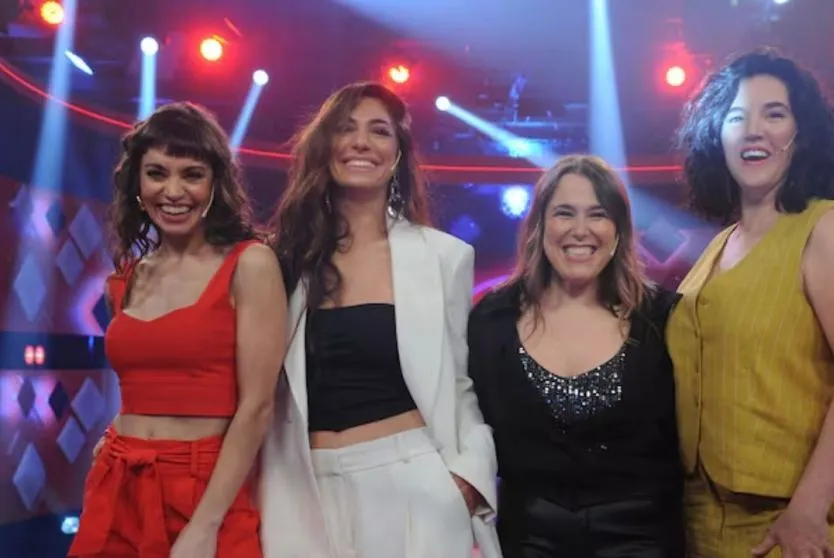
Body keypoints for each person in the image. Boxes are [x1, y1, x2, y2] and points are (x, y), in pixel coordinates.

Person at [668, 48, 834, 557]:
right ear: (717, 136)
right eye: (736, 117)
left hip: (793, 523)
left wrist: (808, 509)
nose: (754, 131)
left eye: (774, 114)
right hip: (704, 515)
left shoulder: (830, 228)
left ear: (801, 133)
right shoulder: (719, 244)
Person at [258, 81, 500, 558]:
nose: (361, 143)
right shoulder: (281, 261)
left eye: (379, 131)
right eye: (346, 129)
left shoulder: (443, 257)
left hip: (411, 483)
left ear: (398, 153)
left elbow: (458, 383)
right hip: (302, 489)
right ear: (324, 145)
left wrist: (467, 479)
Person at [68, 102, 287, 557]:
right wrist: (114, 436)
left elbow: (257, 407)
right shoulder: (126, 277)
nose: (173, 191)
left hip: (205, 488)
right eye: (157, 173)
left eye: (192, 175)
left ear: (215, 184)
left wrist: (205, 525)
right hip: (118, 478)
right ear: (137, 183)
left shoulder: (250, 263)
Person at [468, 154, 685, 558]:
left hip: (641, 537)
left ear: (619, 229)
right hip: (529, 537)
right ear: (539, 226)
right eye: (564, 213)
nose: (580, 230)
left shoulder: (663, 318)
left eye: (597, 215)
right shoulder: (491, 320)